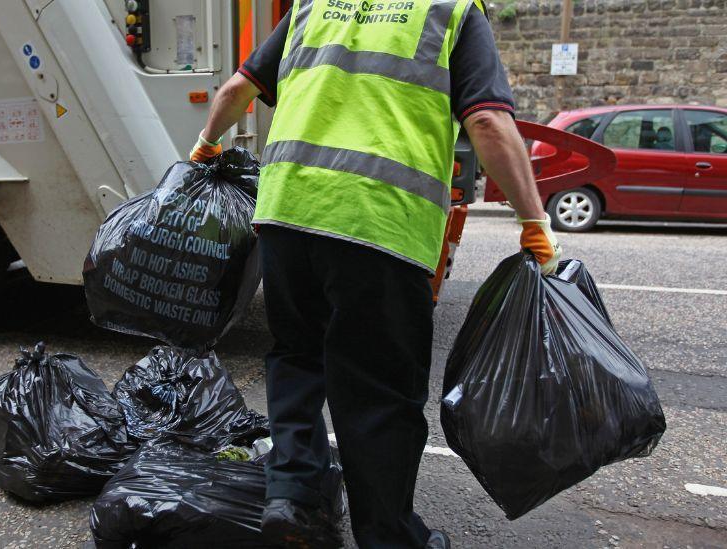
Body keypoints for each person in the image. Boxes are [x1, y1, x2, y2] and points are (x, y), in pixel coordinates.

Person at [190, 1, 560, 547]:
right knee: (379, 389)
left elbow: (235, 90)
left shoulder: (315, 6)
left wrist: (206, 145)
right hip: (379, 224)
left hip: (287, 213)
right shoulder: (451, 11)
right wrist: (533, 221)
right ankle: (389, 536)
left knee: (296, 355)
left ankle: (292, 499)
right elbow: (485, 120)